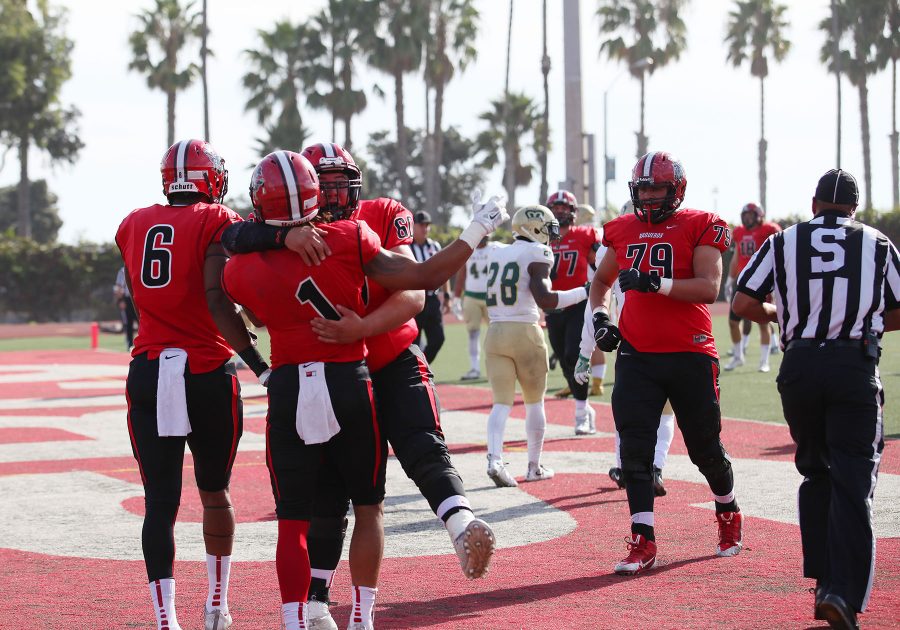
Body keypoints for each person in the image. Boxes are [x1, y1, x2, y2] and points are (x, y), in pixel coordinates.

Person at [221, 150, 506, 630]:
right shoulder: (351, 236)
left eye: (341, 183)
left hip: (350, 366)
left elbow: (230, 267)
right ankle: (350, 613)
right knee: (354, 501)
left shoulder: (250, 263)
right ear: (312, 189)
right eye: (323, 184)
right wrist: (475, 232)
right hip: (350, 377)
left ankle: (307, 611)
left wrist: (355, 325)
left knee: (318, 500)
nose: (334, 194)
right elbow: (423, 278)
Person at [733, 168, 900, 629]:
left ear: (813, 205)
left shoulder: (782, 241)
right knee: (853, 480)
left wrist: (781, 313)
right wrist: (861, 321)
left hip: (800, 367)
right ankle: (841, 592)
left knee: (814, 472)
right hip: (852, 366)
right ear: (854, 207)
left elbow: (743, 304)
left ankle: (823, 580)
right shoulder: (877, 242)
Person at [115, 139, 270, 630]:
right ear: (212, 180)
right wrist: (258, 361)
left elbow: (146, 291)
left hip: (149, 366)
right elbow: (220, 297)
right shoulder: (216, 221)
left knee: (159, 503)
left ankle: (166, 621)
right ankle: (218, 606)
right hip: (206, 369)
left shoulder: (133, 223)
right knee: (215, 493)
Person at [589, 151, 743, 576]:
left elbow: (709, 288)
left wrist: (654, 283)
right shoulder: (622, 228)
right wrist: (602, 319)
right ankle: (643, 540)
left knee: (705, 450)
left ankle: (727, 512)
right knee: (633, 453)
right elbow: (600, 283)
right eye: (643, 189)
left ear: (677, 189)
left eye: (657, 188)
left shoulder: (700, 223)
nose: (649, 196)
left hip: (690, 353)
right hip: (637, 355)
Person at [483, 205, 589, 486]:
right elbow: (547, 300)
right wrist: (584, 292)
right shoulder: (537, 252)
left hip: (494, 332)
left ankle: (495, 460)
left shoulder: (496, 251)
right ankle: (533, 466)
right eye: (548, 228)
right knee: (534, 402)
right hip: (525, 332)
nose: (552, 235)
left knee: (500, 404)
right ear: (535, 228)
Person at [544, 190, 600, 434]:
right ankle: (585, 407)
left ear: (573, 213)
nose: (558, 212)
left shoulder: (584, 235)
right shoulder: (541, 237)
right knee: (565, 363)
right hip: (553, 306)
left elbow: (601, 263)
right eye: (554, 208)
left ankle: (581, 412)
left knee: (572, 356)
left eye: (563, 208)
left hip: (578, 303)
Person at [724, 203, 781, 372]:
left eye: (751, 214)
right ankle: (738, 356)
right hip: (743, 281)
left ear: (759, 215)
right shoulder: (739, 232)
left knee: (762, 322)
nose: (748, 218)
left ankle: (764, 361)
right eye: (745, 215)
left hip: (762, 281)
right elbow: (736, 257)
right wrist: (729, 279)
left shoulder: (769, 229)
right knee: (733, 322)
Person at [452, 237, 506, 380]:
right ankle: (475, 368)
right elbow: (461, 274)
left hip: (491, 297)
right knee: (473, 333)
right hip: (471, 296)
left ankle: (497, 367)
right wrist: (456, 297)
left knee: (496, 333)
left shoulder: (496, 247)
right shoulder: (469, 249)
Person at [575, 203, 607, 396]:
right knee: (591, 335)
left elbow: (594, 260)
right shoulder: (600, 232)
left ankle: (596, 382)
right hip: (600, 288)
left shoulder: (589, 234)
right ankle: (593, 381)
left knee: (591, 335)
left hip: (593, 288)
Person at [411, 210, 450, 364]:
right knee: (413, 341)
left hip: (433, 299)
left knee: (438, 339)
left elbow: (443, 271)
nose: (424, 228)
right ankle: (414, 372)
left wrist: (447, 296)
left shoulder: (434, 246)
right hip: (414, 299)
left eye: (427, 225)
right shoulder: (405, 247)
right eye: (421, 225)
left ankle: (422, 367)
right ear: (413, 226)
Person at [114, 266, 137, 350]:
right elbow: (118, 287)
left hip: (138, 298)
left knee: (142, 322)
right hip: (127, 299)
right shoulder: (123, 270)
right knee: (128, 323)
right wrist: (120, 300)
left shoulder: (139, 266)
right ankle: (129, 344)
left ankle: (143, 343)